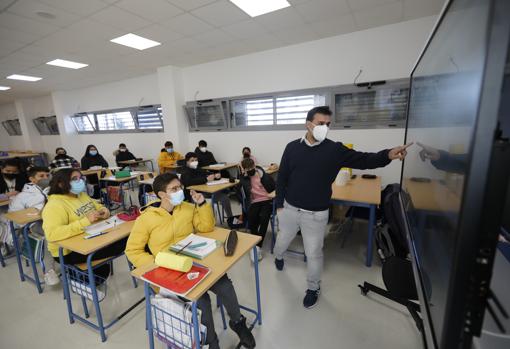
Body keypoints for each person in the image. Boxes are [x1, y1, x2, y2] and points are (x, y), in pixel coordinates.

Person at [274, 106, 411, 309]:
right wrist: (279, 206)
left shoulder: (334, 150)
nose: (325, 128)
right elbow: (282, 177)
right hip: (290, 209)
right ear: (308, 124)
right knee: (282, 241)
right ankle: (278, 256)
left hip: (315, 214)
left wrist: (388, 155)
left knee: (314, 254)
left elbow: (365, 159)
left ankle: (313, 288)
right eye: (321, 124)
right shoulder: (292, 147)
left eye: (328, 125)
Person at [125, 173, 255, 349]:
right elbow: (132, 250)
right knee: (202, 301)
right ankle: (211, 342)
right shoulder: (147, 218)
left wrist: (201, 204)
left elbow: (206, 227)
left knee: (224, 284)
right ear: (161, 194)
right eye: (174, 189)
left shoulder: (186, 208)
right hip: (167, 271)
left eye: (180, 187)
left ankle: (238, 323)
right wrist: (158, 262)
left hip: (194, 262)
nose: (180, 191)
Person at [42, 169, 126, 280]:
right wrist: (85, 221)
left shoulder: (80, 195)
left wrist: (104, 210)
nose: (79, 181)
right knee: (124, 244)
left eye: (80, 178)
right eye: (74, 179)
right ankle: (76, 277)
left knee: (127, 238)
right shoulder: (54, 205)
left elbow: (97, 206)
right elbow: (52, 234)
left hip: (91, 238)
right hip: (69, 252)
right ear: (61, 184)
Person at [180, 152, 235, 226]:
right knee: (213, 198)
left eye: (196, 160)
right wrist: (206, 179)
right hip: (194, 195)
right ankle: (210, 220)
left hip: (206, 191)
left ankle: (230, 219)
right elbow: (188, 182)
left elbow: (205, 173)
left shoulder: (197, 168)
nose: (194, 162)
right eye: (192, 160)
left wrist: (215, 176)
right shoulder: (184, 171)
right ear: (187, 162)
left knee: (224, 197)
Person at [240, 158, 275, 262]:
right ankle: (255, 243)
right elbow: (242, 191)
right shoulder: (244, 177)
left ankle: (257, 247)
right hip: (255, 201)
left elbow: (273, 188)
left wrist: (263, 178)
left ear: (254, 166)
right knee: (252, 218)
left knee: (264, 218)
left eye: (251, 168)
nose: (250, 170)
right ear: (244, 169)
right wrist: (244, 176)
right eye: (247, 169)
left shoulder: (263, 175)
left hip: (267, 199)